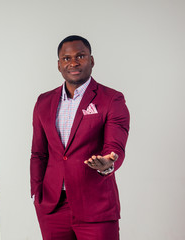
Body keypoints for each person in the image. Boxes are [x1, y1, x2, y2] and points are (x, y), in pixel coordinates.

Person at [30, 35, 130, 240]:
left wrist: (106, 163)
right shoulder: (44, 101)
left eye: (80, 56)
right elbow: (39, 153)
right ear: (59, 65)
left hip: (96, 205)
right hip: (53, 206)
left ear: (91, 60)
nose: (73, 62)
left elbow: (115, 145)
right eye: (66, 58)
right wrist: (37, 194)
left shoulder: (111, 99)